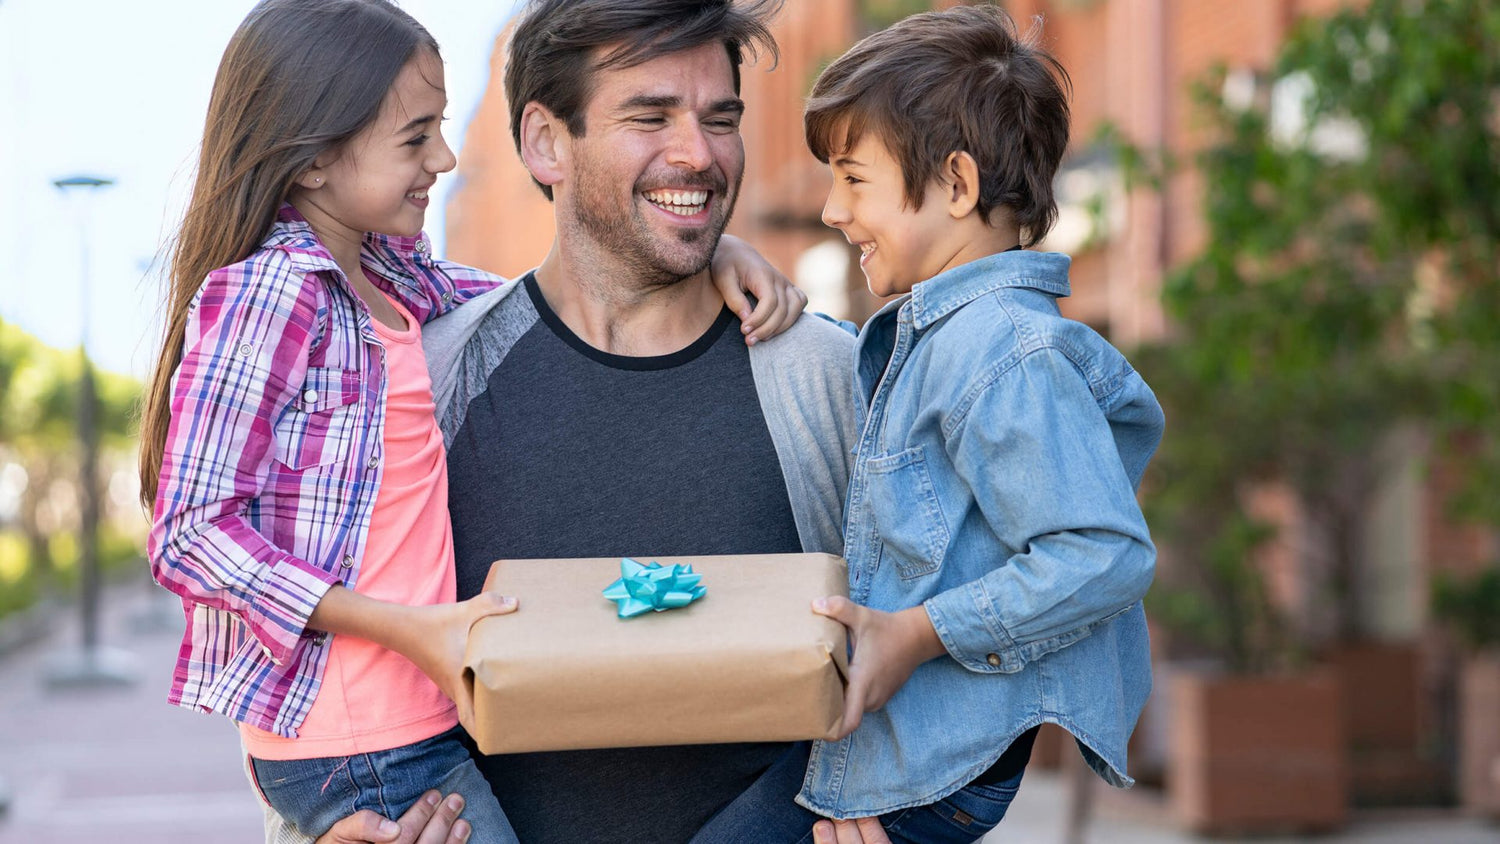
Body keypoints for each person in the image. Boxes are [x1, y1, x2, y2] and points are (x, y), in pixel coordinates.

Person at [138, 0, 805, 841]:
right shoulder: (274, 291)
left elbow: (538, 296)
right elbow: (189, 532)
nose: (444, 159)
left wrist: (712, 247)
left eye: (441, 131)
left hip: (401, 726)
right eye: (414, 138)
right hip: (365, 741)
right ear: (312, 160)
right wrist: (413, 631)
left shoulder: (394, 284)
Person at [794, 6, 1165, 843]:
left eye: (855, 180)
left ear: (956, 186)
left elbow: (1103, 551)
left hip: (934, 774)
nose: (830, 209)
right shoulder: (949, 337)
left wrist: (918, 634)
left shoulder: (1001, 350)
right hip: (912, 760)